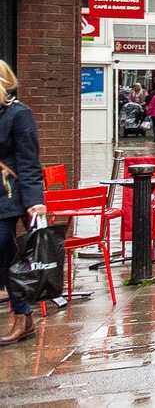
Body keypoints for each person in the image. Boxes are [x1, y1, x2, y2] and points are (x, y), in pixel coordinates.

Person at [0, 60, 49, 347]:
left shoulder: (19, 114)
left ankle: (23, 317)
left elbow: (29, 161)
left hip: (8, 197)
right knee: (8, 259)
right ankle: (24, 317)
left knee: (5, 248)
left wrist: (34, 201)